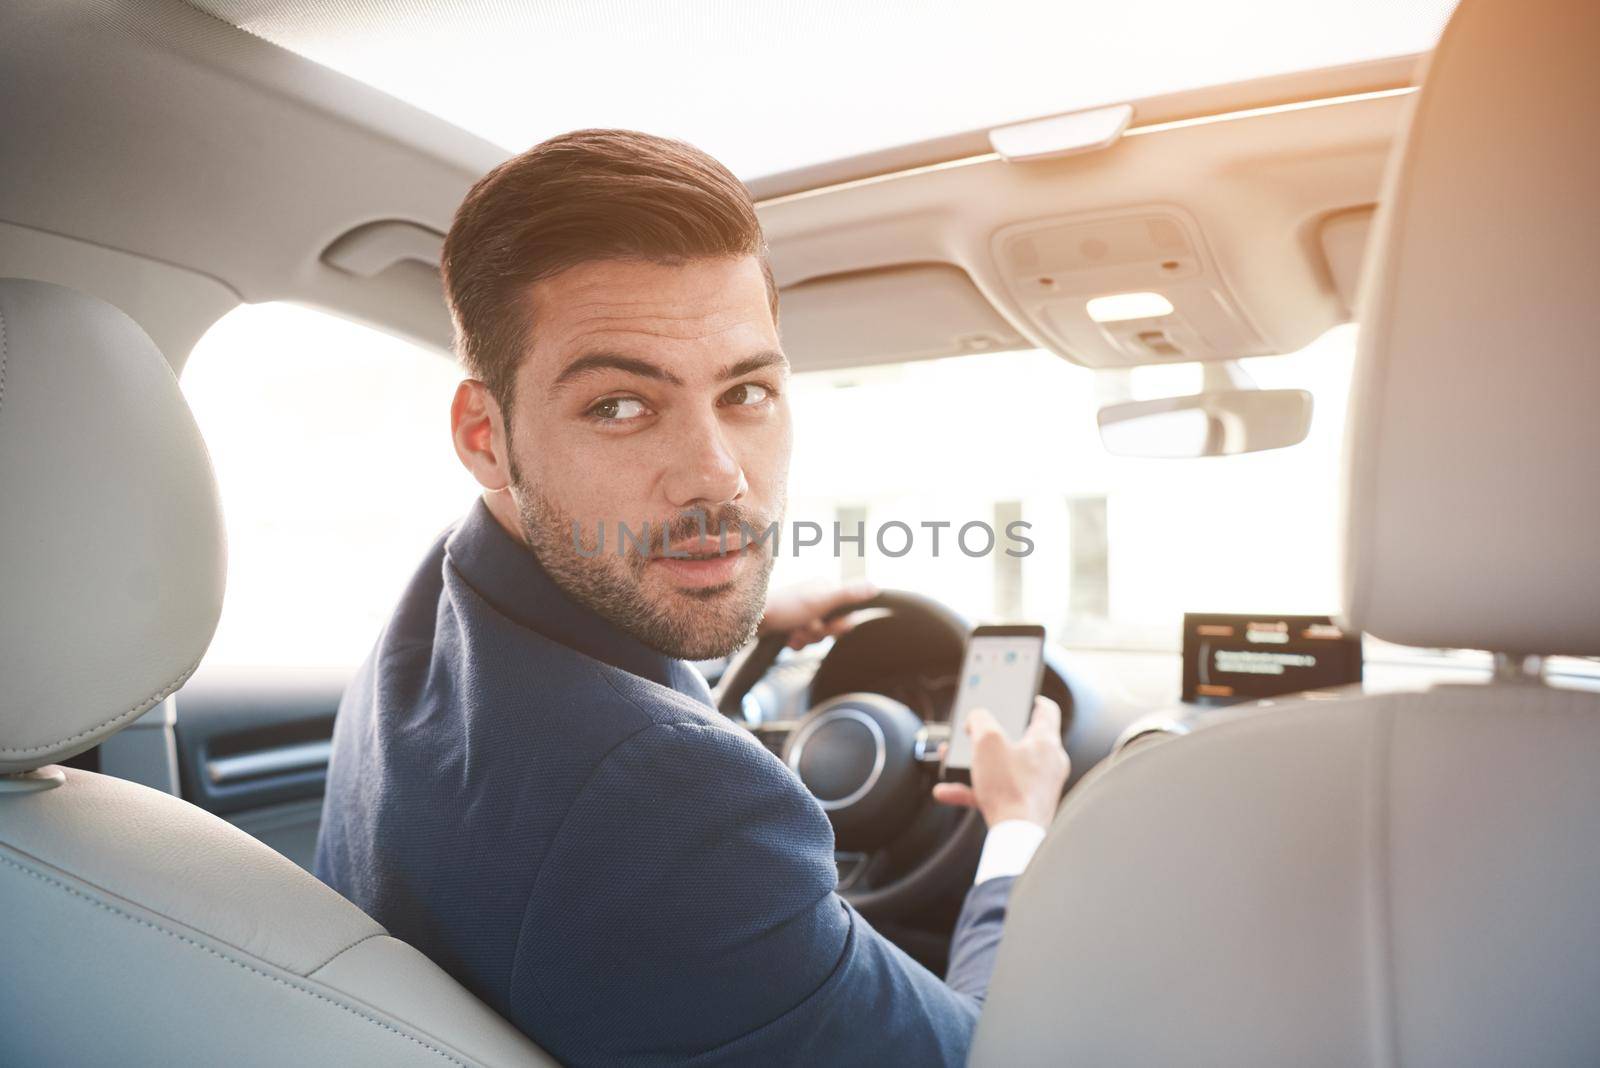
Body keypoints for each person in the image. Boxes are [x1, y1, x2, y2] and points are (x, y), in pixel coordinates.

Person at [314, 128, 1069, 1066]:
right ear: (485, 435)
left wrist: (729, 626)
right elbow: (985, 1056)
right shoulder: (676, 809)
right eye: (620, 406)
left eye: (746, 391)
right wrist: (1016, 832)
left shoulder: (440, 606)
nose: (716, 480)